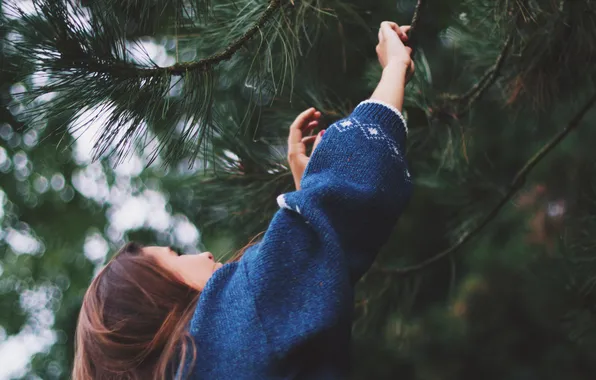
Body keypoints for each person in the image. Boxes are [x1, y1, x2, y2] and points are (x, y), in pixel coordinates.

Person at [72, 21, 415, 380]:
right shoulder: (228, 322)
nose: (202, 254)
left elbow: (312, 293)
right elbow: (349, 185)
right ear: (155, 300)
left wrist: (308, 200)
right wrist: (393, 68)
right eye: (174, 256)